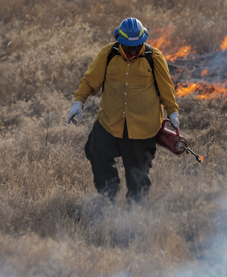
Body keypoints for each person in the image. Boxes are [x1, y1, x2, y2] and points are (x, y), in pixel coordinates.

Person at [67, 17, 179, 204]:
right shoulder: (108, 54)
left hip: (143, 127)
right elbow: (90, 79)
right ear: (120, 41)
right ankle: (107, 197)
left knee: (137, 172)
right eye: (128, 48)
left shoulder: (155, 57)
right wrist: (79, 101)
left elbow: (166, 88)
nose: (132, 52)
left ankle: (135, 212)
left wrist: (172, 111)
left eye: (136, 48)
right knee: (95, 151)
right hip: (110, 122)